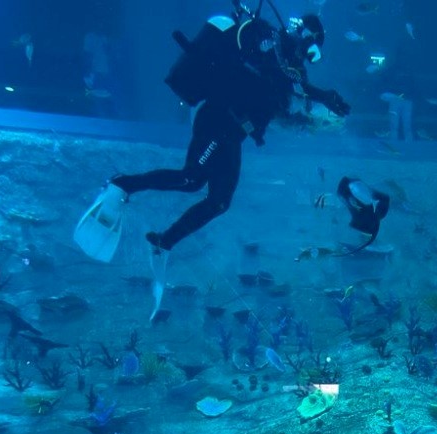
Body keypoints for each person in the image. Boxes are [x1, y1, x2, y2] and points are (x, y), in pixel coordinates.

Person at [74, 7, 350, 261]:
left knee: (219, 202)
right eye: (311, 47)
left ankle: (164, 242)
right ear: (302, 34)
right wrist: (320, 94)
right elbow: (257, 66)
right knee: (190, 178)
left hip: (234, 133)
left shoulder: (291, 72)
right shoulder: (264, 36)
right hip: (218, 118)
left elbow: (282, 105)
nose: (307, 56)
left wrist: (316, 113)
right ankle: (122, 184)